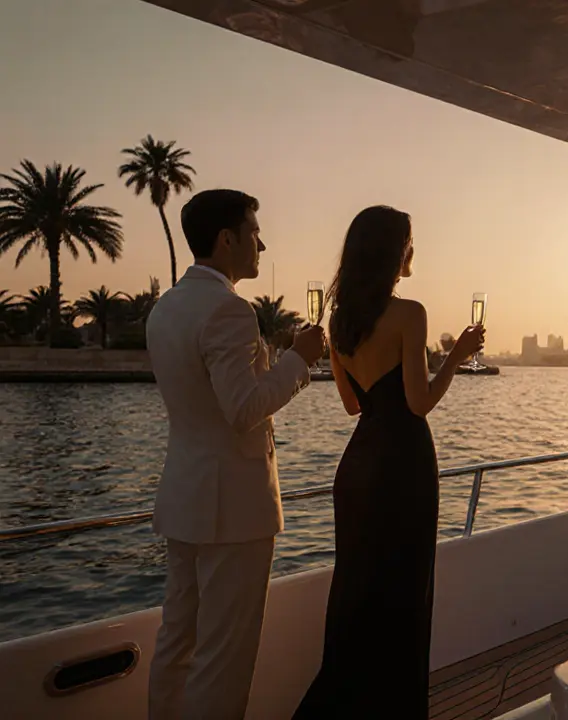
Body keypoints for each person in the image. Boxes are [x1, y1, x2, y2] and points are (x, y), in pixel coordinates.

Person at [293, 205, 484, 717]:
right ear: (395, 252)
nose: (412, 251)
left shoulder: (340, 320)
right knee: (403, 598)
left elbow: (352, 405)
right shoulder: (409, 314)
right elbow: (419, 403)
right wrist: (456, 357)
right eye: (408, 242)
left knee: (356, 594)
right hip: (404, 467)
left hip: (358, 468)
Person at [146, 189, 326, 720]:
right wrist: (299, 360)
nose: (261, 245)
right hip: (235, 513)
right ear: (227, 239)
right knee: (224, 659)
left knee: (176, 643)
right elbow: (243, 409)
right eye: (254, 233)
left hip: (184, 502)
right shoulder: (230, 309)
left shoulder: (165, 308)